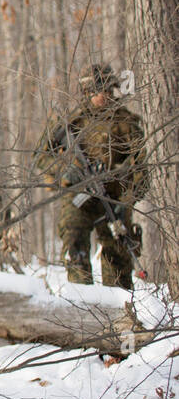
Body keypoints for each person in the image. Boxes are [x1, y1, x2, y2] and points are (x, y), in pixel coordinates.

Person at [36, 64, 148, 290]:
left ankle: (120, 308)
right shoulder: (71, 122)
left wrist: (126, 202)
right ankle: (81, 303)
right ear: (87, 91)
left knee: (117, 255)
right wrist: (66, 172)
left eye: (107, 89)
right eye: (98, 90)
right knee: (74, 243)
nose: (103, 95)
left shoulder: (126, 122)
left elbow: (141, 169)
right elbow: (41, 157)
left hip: (113, 198)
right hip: (79, 195)